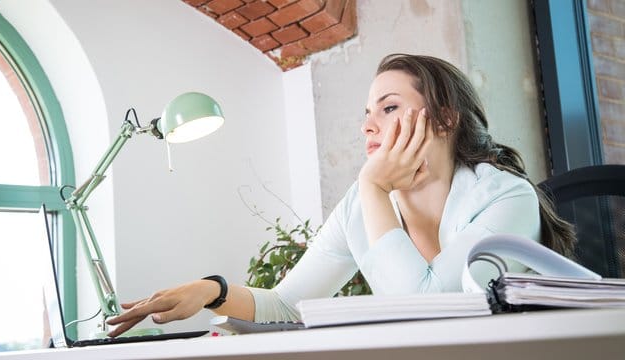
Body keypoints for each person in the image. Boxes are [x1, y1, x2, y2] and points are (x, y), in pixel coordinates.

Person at [106, 54, 575, 336]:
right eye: (366, 112)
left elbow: (426, 309)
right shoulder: (361, 204)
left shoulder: (505, 197)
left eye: (389, 108)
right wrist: (214, 290)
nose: (368, 125)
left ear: (444, 119)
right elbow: (289, 305)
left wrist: (373, 186)